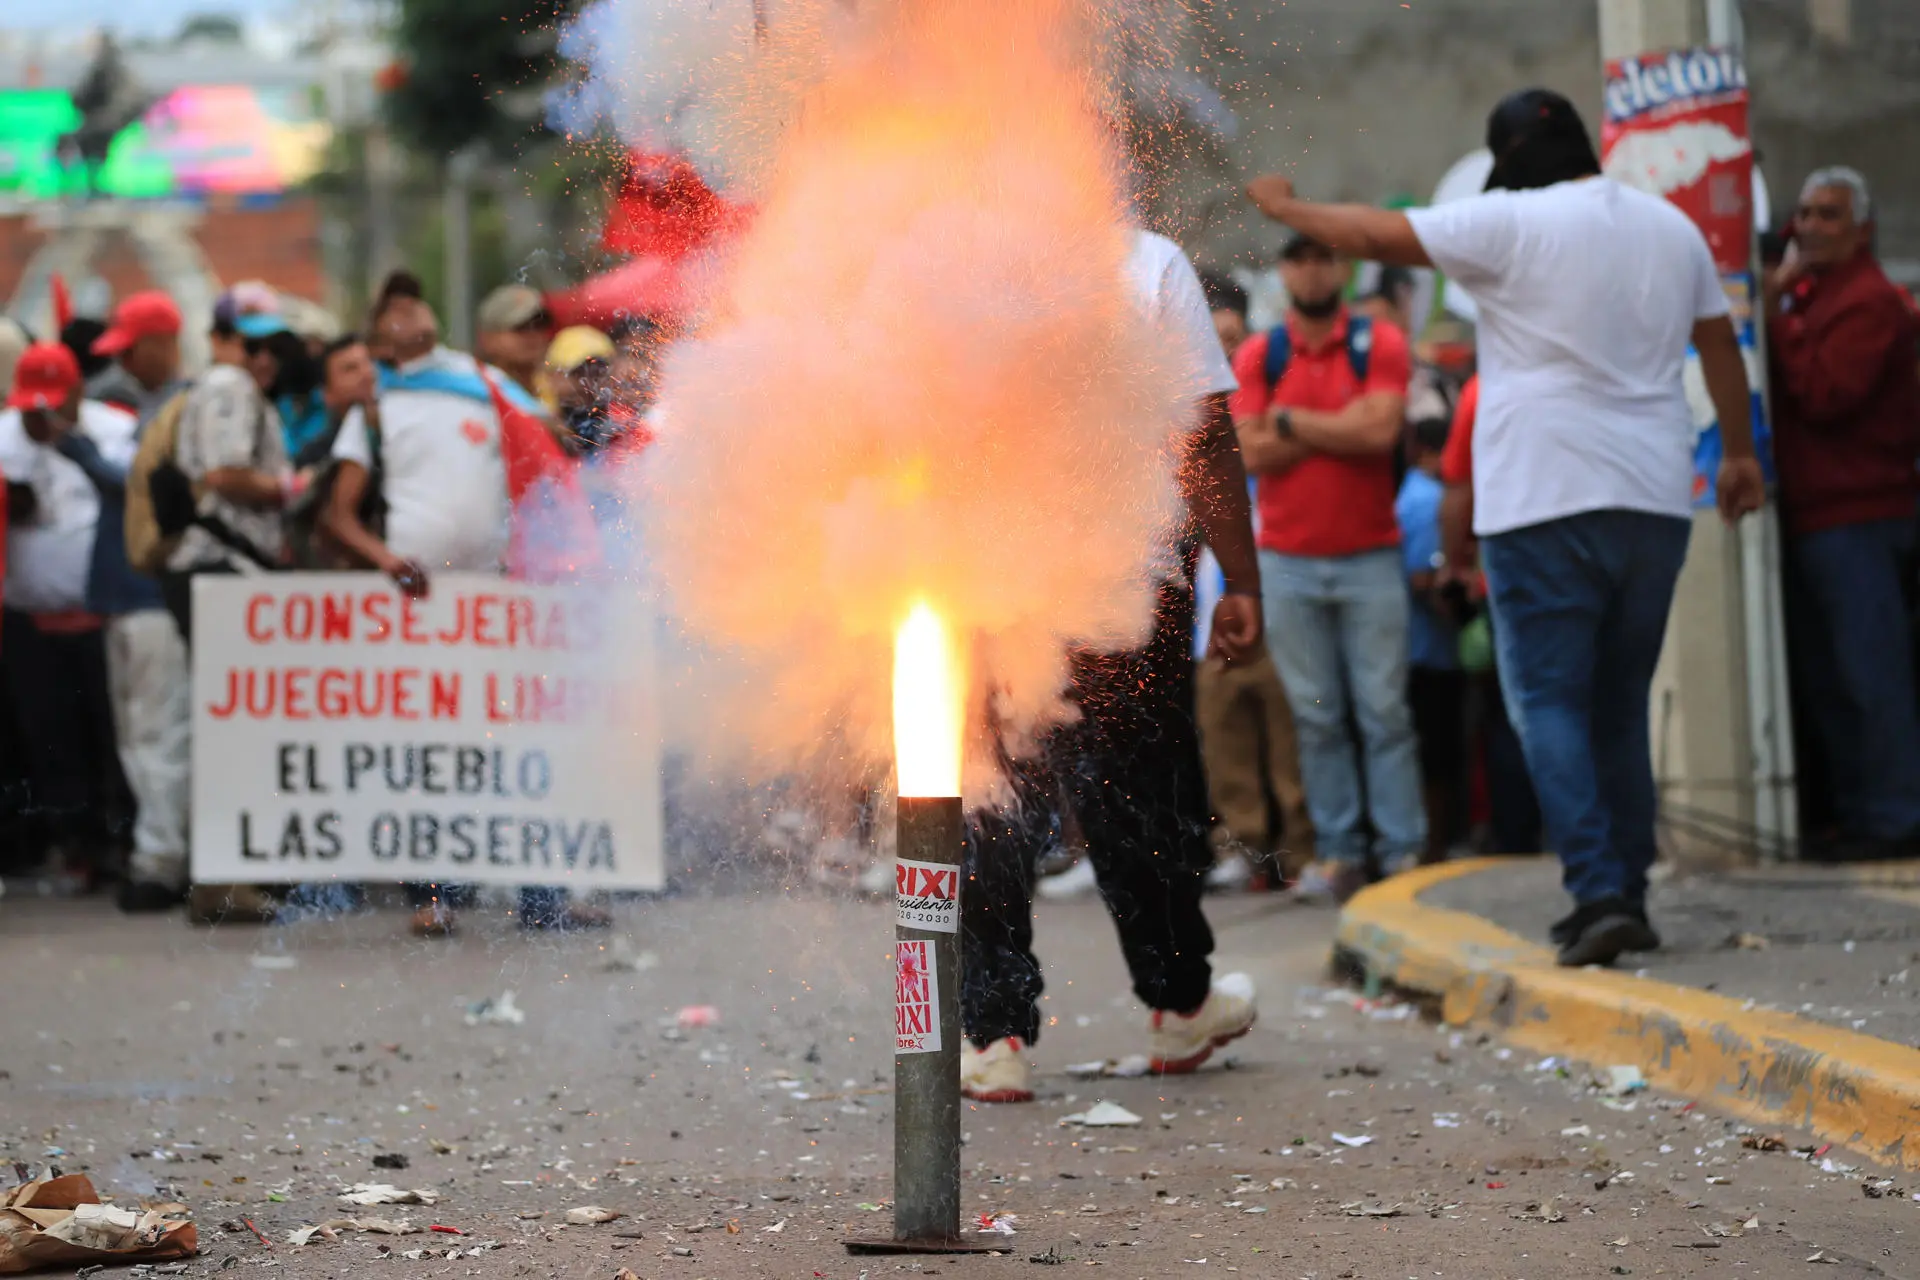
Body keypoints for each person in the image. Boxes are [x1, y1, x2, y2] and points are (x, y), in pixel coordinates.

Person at [1246, 86, 1765, 965]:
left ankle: (1600, 890)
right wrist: (1744, 456)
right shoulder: (1667, 228)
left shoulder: (1510, 223)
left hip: (1544, 501)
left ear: (1506, 161)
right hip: (1652, 497)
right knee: (1616, 705)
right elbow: (1718, 343)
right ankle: (1625, 888)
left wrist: (1287, 209)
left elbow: (1376, 235)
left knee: (1548, 703)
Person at [960, 228, 1264, 1103]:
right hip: (1125, 575)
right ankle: (1177, 1005)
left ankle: (995, 1035)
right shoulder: (1144, 261)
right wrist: (1239, 577)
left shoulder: (941, 259)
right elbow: (1203, 433)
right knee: (1139, 790)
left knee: (992, 791)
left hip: (984, 578)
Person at [322, 270, 611, 937]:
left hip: (498, 598)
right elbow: (340, 514)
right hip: (424, 608)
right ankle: (435, 894)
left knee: (522, 743)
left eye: (415, 300)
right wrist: (385, 559)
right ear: (379, 333)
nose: (410, 313)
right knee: (440, 753)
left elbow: (539, 440)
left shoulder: (477, 385)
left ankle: (544, 898)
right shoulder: (376, 406)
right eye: (393, 307)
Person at [1228, 233, 1422, 904]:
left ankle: (1399, 850)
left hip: (1369, 554)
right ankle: (1341, 852)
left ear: (1339, 267)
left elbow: (1380, 434)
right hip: (1290, 563)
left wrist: (1287, 423)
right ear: (1284, 271)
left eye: (1322, 258)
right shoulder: (1261, 352)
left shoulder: (1381, 344)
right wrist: (1333, 426)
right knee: (1317, 715)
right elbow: (1246, 454)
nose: (1312, 271)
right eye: (1299, 259)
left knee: (1384, 711)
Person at [1765, 166, 1920, 860]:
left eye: (1829, 215)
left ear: (1862, 228)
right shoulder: (1808, 292)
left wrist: (1774, 320)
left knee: (1869, 676)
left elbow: (1829, 394)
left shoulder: (1867, 301)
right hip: (1818, 516)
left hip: (1859, 515)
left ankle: (1893, 815)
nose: (1811, 226)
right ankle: (1864, 813)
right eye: (1804, 213)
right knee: (1834, 680)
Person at [53, 309, 197, 912]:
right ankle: (160, 850)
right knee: (139, 737)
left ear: (161, 345)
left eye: (131, 350)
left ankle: (162, 860)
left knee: (158, 733)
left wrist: (82, 452)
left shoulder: (183, 408)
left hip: (151, 595)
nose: (121, 363)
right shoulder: (148, 407)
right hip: (126, 595)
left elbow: (148, 491)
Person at [1190, 271, 1313, 888]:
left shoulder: (1271, 385)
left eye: (1231, 340)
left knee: (1288, 734)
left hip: (1280, 583)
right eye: (1210, 341)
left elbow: (1260, 451)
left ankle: (1300, 851)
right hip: (1214, 599)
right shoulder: (1188, 404)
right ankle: (1242, 847)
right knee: (1226, 738)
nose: (1222, 354)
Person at [0, 342, 135, 894]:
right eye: (35, 408)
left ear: (79, 392)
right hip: (28, 618)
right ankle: (72, 845)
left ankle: (117, 844)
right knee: (49, 737)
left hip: (102, 615)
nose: (45, 418)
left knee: (112, 734)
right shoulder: (3, 435)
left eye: (55, 405)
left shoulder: (115, 429)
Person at [1438, 375, 1543, 857]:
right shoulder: (1591, 364)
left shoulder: (1485, 389)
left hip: (1509, 570)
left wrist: (1456, 562)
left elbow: (1458, 489)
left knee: (1510, 712)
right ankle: (1581, 841)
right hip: (1585, 562)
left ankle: (1518, 839)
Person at [1397, 415, 1467, 864]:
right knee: (1435, 754)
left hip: (1419, 649)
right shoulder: (1428, 501)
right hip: (1430, 652)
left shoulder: (1410, 495)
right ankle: (1433, 846)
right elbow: (1425, 578)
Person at [87, 290, 184, 421]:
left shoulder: (193, 407)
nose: (122, 361)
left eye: (128, 351)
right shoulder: (115, 397)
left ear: (161, 343)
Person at [475, 284, 553, 401]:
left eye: (540, 325)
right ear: (488, 338)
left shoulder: (559, 395)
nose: (533, 335)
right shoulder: (474, 396)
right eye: (520, 327)